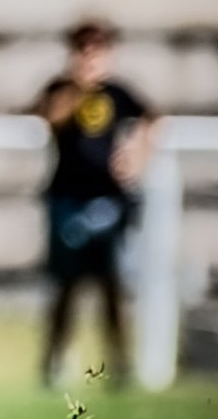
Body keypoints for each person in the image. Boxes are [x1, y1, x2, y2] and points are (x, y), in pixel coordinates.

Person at [32, 20, 155, 388]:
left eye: (97, 48)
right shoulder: (61, 90)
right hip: (67, 200)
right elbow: (48, 119)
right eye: (83, 48)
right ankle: (53, 364)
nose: (89, 56)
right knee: (65, 287)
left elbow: (154, 121)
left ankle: (120, 367)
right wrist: (77, 89)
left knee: (112, 286)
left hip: (108, 202)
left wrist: (137, 152)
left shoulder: (119, 93)